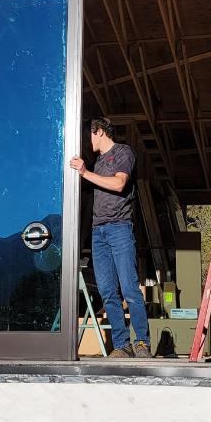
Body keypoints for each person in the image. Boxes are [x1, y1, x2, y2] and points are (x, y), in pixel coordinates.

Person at [70, 117, 151, 359]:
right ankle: (122, 345)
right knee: (107, 291)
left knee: (129, 288)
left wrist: (84, 172)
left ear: (99, 131)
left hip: (119, 228)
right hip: (99, 232)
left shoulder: (123, 152)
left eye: (89, 134)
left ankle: (142, 343)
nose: (87, 140)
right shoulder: (97, 162)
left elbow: (118, 184)